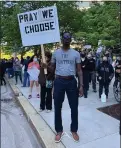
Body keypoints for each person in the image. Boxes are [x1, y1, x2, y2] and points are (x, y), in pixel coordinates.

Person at [42, 32, 83, 142]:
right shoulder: (56, 53)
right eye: (65, 38)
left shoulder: (76, 53)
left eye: (69, 38)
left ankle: (74, 130)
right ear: (62, 39)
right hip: (59, 81)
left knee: (74, 107)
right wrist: (46, 66)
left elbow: (79, 70)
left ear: (70, 40)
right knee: (57, 107)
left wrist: (81, 86)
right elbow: (52, 69)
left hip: (71, 82)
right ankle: (59, 131)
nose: (66, 39)